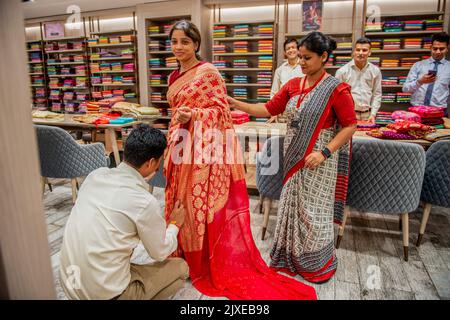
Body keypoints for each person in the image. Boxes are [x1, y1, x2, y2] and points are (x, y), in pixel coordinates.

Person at [164, 20, 317, 300]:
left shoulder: (208, 73)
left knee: (201, 206)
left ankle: (202, 260)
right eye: (174, 41)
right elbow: (175, 110)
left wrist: (195, 116)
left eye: (185, 41)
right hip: (180, 146)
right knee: (180, 202)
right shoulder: (173, 77)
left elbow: (220, 112)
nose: (178, 47)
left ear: (196, 44)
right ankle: (181, 254)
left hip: (204, 150)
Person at [228, 31, 357, 283]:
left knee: (313, 212)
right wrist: (237, 103)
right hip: (294, 155)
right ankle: (291, 255)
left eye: (307, 58)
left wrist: (324, 152)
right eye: (299, 57)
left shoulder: (336, 89)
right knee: (292, 206)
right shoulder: (292, 86)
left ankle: (315, 261)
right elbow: (267, 109)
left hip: (320, 159)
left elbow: (350, 126)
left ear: (324, 57)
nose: (301, 63)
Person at [59, 124, 189, 300]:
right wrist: (174, 224)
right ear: (151, 163)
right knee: (181, 269)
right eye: (160, 161)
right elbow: (159, 252)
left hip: (70, 284)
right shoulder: (143, 201)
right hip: (106, 295)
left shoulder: (95, 176)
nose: (160, 165)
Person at [335, 37, 382, 123]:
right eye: (358, 50)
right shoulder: (342, 71)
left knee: (365, 137)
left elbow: (377, 94)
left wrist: (373, 114)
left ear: (370, 52)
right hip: (348, 114)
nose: (360, 53)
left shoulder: (375, 71)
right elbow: (337, 96)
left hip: (368, 115)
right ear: (354, 52)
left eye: (364, 50)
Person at [403, 32, 450, 117]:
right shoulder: (418, 65)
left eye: (442, 49)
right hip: (416, 111)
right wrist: (420, 81)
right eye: (435, 49)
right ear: (430, 47)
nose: (438, 52)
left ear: (447, 48)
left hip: (439, 112)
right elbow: (405, 89)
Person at [267, 38, 304, 123]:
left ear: (298, 50)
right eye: (288, 49)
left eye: (293, 47)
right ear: (284, 52)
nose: (291, 50)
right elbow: (274, 92)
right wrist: (274, 112)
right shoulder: (280, 70)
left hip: (302, 114)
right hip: (283, 114)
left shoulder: (305, 67)